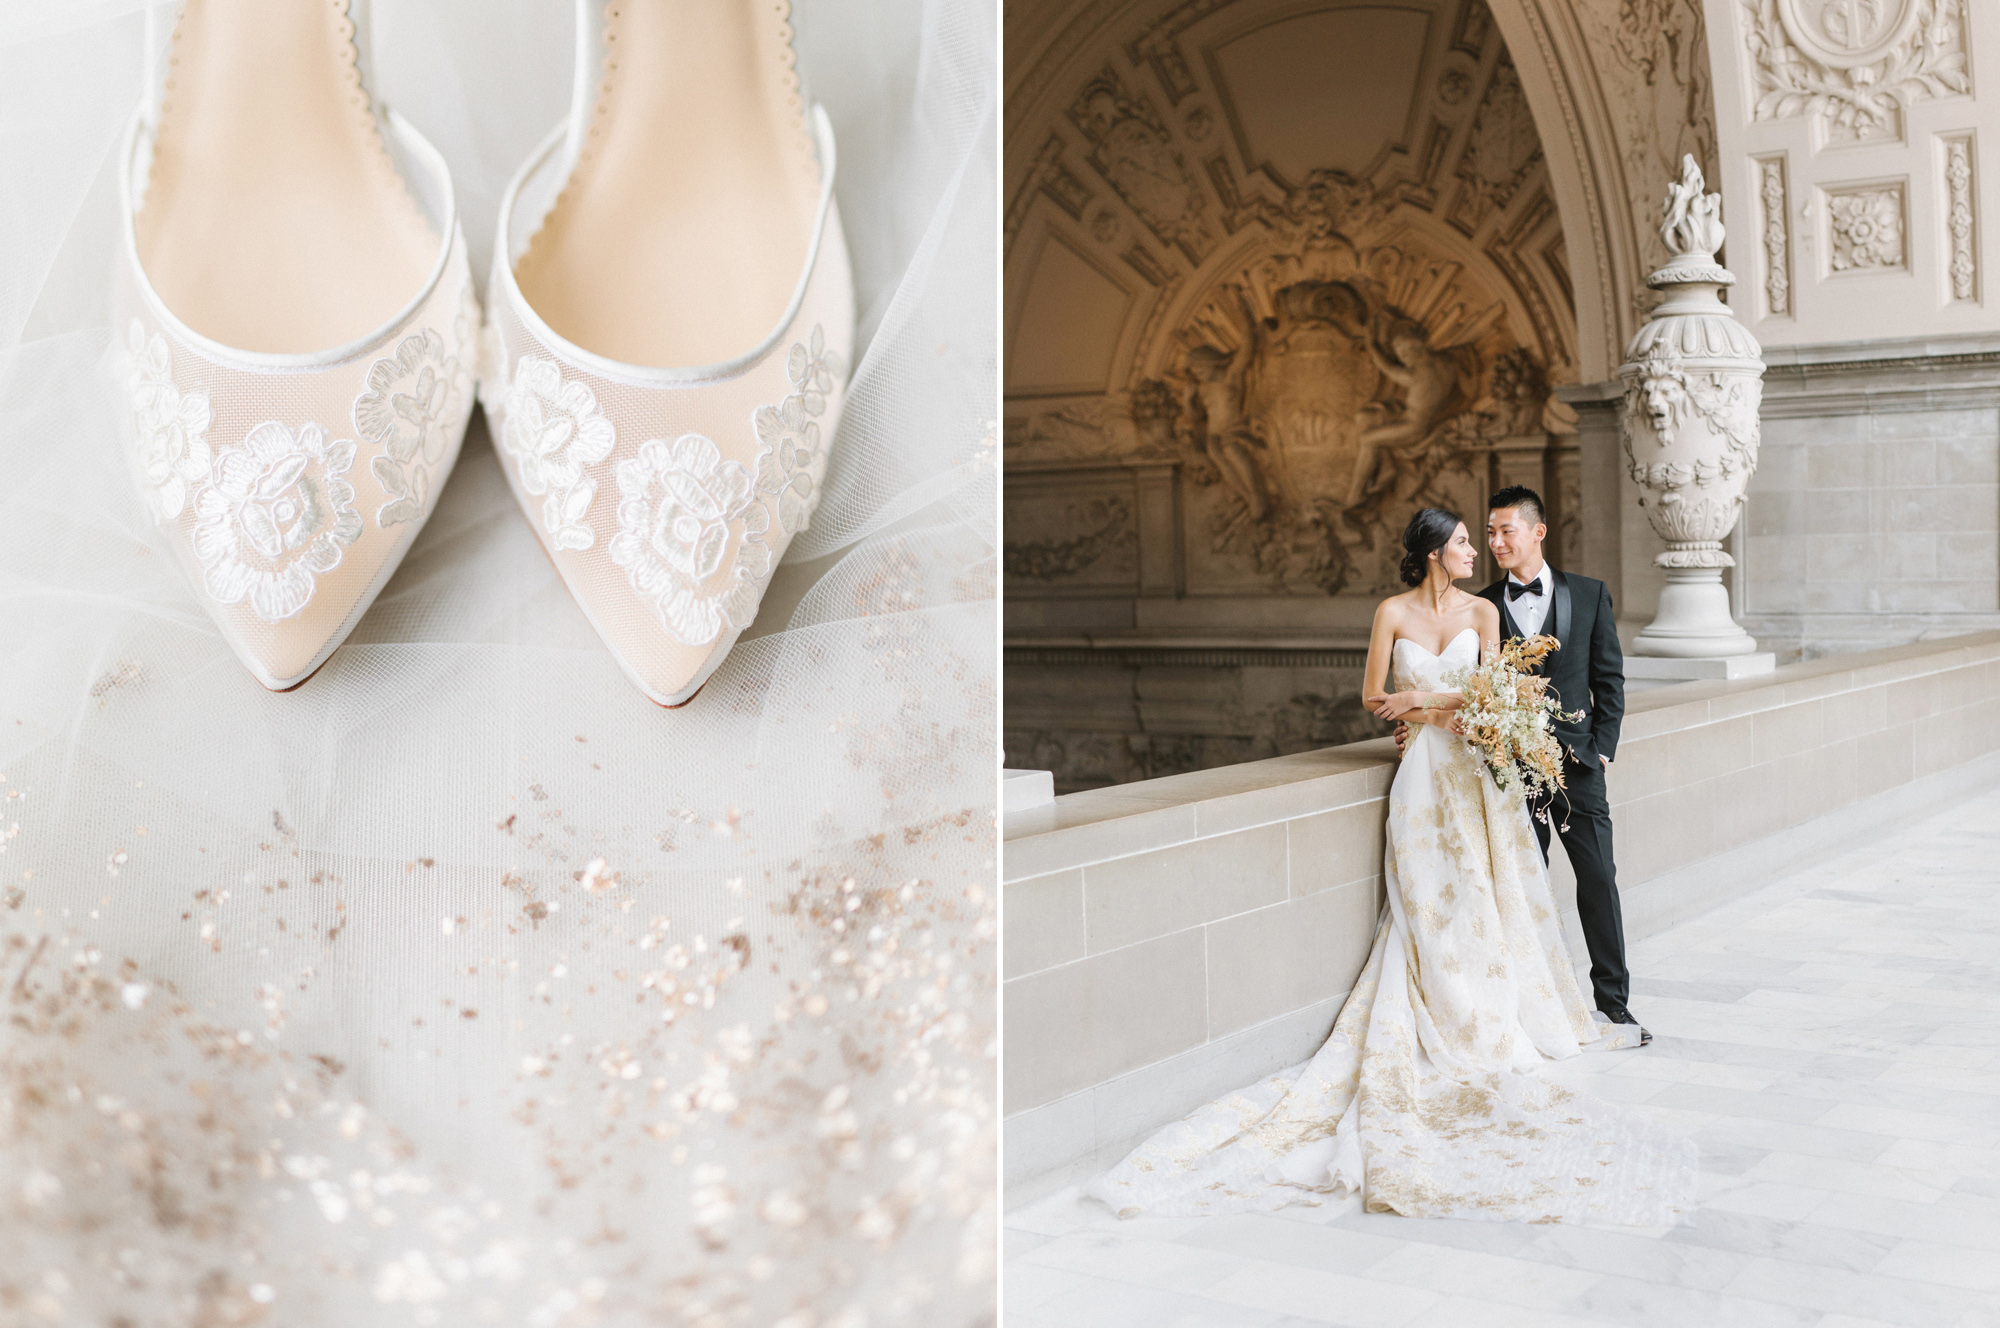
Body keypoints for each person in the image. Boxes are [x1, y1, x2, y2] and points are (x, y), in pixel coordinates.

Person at [1082, 508, 1694, 1225]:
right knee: (1426, 902)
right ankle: (1440, 1007)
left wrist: (1423, 704)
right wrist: (1422, 706)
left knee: (1488, 894)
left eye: (1484, 536)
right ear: (1435, 550)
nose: (1476, 550)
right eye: (1466, 540)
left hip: (1475, 777)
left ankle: (1506, 1009)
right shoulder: (1391, 612)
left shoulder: (1484, 613)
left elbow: (1492, 696)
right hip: (1421, 781)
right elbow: (1376, 697)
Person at [1477, 485, 1645, 1042]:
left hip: (1577, 762)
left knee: (1598, 878)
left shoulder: (1591, 594)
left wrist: (1601, 743)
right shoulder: (1481, 607)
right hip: (1511, 768)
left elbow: (1609, 678)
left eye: (1507, 530)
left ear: (1537, 532)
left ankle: (1614, 1004)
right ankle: (1536, 1002)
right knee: (1526, 886)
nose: (1496, 541)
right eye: (1491, 531)